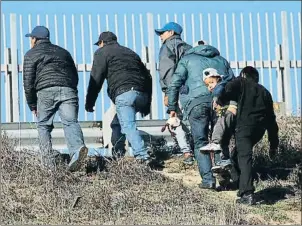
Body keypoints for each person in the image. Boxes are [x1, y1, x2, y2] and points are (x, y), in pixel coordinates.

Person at [167, 43, 234, 189]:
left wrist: (172, 107)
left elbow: (174, 84)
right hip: (220, 102)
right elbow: (232, 81)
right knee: (220, 138)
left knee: (200, 141)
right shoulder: (221, 60)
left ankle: (208, 180)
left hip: (196, 103)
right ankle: (223, 176)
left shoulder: (187, 59)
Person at [23, 26, 88, 172]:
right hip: (68, 89)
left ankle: (48, 165)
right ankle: (77, 153)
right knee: (71, 122)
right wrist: (71, 89)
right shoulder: (63, 52)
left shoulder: (31, 54)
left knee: (43, 125)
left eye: (31, 38)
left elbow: (28, 82)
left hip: (46, 90)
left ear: (34, 39)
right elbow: (74, 74)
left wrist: (32, 104)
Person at [85, 31, 154, 165]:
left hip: (124, 93)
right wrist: (147, 104)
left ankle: (142, 155)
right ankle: (118, 154)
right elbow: (148, 76)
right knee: (116, 123)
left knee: (128, 125)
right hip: (141, 94)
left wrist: (90, 102)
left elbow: (96, 78)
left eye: (99, 44)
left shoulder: (102, 52)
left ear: (102, 43)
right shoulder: (130, 52)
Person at [217, 66, 279, 205]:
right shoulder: (265, 91)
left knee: (244, 158)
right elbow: (271, 119)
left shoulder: (241, 82)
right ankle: (239, 183)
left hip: (244, 127)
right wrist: (273, 143)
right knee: (236, 155)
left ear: (243, 75)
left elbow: (228, 88)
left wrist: (221, 100)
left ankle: (247, 194)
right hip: (259, 130)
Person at [155, 22, 193, 164]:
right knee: (193, 121)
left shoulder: (167, 47)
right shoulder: (189, 48)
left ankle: (186, 153)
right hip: (191, 91)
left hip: (176, 89)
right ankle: (196, 149)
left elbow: (167, 71)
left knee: (176, 120)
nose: (160, 36)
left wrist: (167, 92)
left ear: (171, 32)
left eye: (162, 33)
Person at [199, 68, 237, 172]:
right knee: (224, 137)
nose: (210, 86)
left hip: (231, 113)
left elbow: (226, 91)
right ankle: (224, 161)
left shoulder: (224, 85)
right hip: (228, 116)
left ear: (219, 79)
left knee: (220, 126)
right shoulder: (218, 92)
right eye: (207, 85)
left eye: (211, 82)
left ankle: (215, 142)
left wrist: (217, 99)